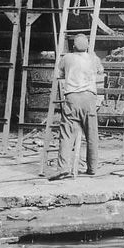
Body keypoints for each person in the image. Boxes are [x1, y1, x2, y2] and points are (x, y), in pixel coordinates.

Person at [51, 34, 104, 179]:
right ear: (87, 46)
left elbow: (58, 74)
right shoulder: (93, 58)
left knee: (67, 134)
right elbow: (101, 73)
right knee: (92, 133)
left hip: (72, 98)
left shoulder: (67, 58)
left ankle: (63, 168)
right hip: (89, 98)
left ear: (73, 46)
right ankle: (92, 168)